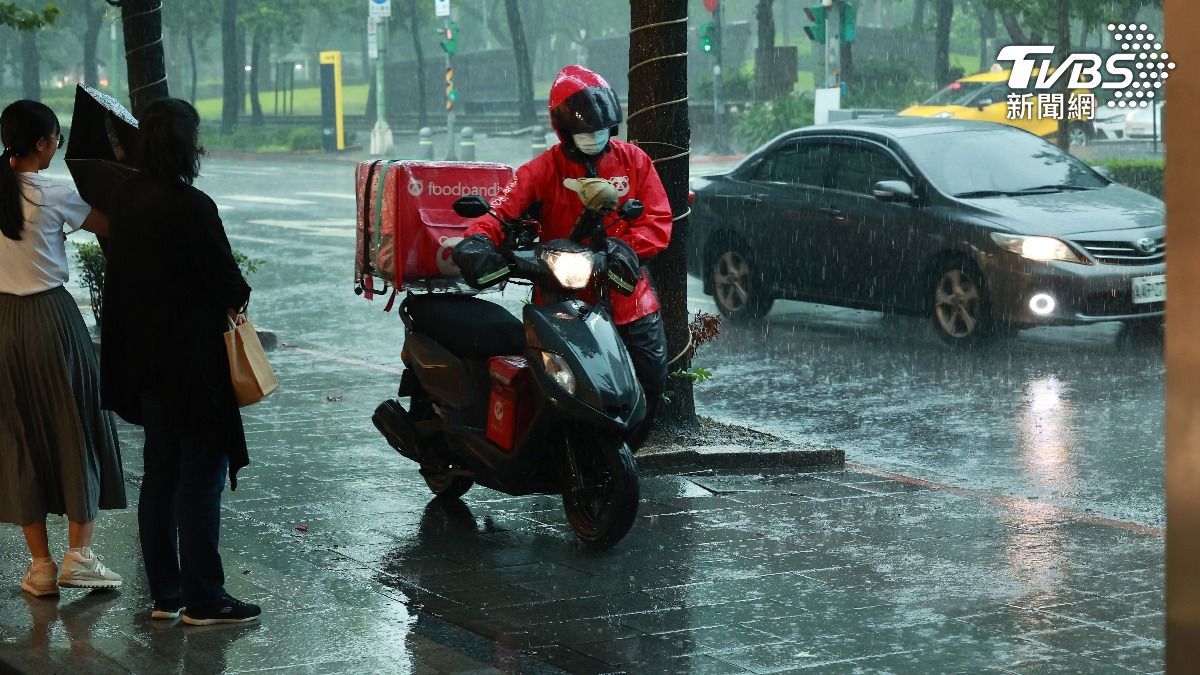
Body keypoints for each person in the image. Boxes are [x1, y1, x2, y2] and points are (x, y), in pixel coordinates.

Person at [453, 65, 672, 450]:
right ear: (563, 130)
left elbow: (657, 219)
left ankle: (623, 456)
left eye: (600, 130)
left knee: (649, 383)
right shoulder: (540, 171)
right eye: (585, 132)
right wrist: (476, 243)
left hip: (629, 300)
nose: (594, 138)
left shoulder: (634, 161)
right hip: (565, 303)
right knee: (566, 391)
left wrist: (628, 248)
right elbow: (500, 213)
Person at [101, 98, 260, 625]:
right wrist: (238, 292)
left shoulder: (124, 199)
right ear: (187, 144)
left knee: (161, 477)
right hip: (195, 369)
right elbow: (227, 285)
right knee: (200, 480)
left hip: (146, 365)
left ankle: (165, 595)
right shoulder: (192, 206)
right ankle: (206, 598)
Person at [0, 100, 126, 597]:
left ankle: (41, 567)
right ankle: (80, 556)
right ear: (41, 144)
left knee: (17, 436)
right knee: (76, 425)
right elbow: (112, 227)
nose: (58, 146)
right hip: (52, 319)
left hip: (3, 324)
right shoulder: (53, 192)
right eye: (56, 138)